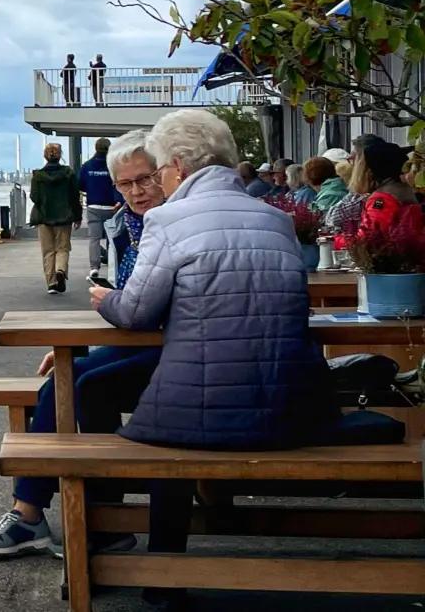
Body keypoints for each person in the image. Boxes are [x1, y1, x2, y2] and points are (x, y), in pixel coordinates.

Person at [90, 109, 338, 574]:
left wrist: (103, 300)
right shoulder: (277, 220)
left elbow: (135, 312)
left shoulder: (168, 219)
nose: (161, 180)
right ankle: (171, 546)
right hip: (289, 408)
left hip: (198, 419)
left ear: (179, 166)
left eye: (160, 169)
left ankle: (130, 552)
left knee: (132, 407)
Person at [0, 130, 165, 557]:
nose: (137, 191)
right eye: (126, 184)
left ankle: (51, 516)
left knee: (76, 382)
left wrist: (100, 318)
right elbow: (134, 307)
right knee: (68, 375)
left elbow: (144, 307)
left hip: (178, 352)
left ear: (167, 173)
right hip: (145, 341)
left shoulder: (170, 226)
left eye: (145, 179)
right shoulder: (128, 224)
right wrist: (81, 341)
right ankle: (48, 515)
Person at [30, 142, 81, 295]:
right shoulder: (68, 173)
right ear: (60, 156)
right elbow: (74, 196)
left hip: (44, 218)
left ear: (45, 156)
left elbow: (34, 196)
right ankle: (60, 269)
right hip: (64, 218)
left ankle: (51, 284)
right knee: (63, 248)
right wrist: (77, 216)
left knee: (48, 251)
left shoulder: (38, 176)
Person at [355, 141, 424, 237]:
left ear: (371, 169)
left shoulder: (382, 198)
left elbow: (369, 237)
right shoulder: (405, 189)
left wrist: (337, 241)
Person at [78, 137, 120, 282]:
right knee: (111, 238)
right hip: (112, 207)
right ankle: (112, 267)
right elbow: (119, 183)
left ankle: (94, 267)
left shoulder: (87, 166)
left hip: (93, 206)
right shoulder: (114, 166)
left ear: (95, 148)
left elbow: (80, 184)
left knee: (94, 238)